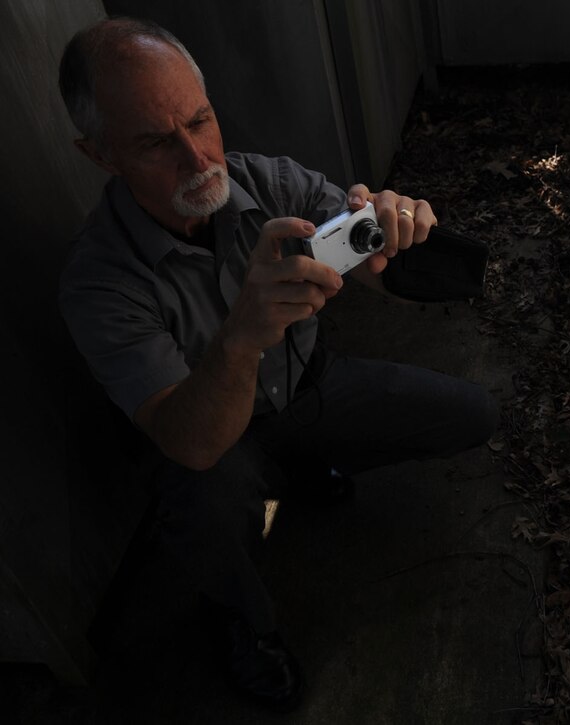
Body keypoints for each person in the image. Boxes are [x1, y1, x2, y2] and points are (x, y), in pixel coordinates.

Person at [57, 17, 497, 711]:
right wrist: (241, 335)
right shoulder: (99, 281)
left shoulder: (264, 179)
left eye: (201, 120)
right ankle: (245, 623)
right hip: (214, 447)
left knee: (474, 413)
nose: (198, 158)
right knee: (205, 505)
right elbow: (189, 438)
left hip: (307, 386)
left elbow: (378, 266)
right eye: (154, 142)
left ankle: (301, 469)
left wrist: (395, 228)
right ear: (101, 154)